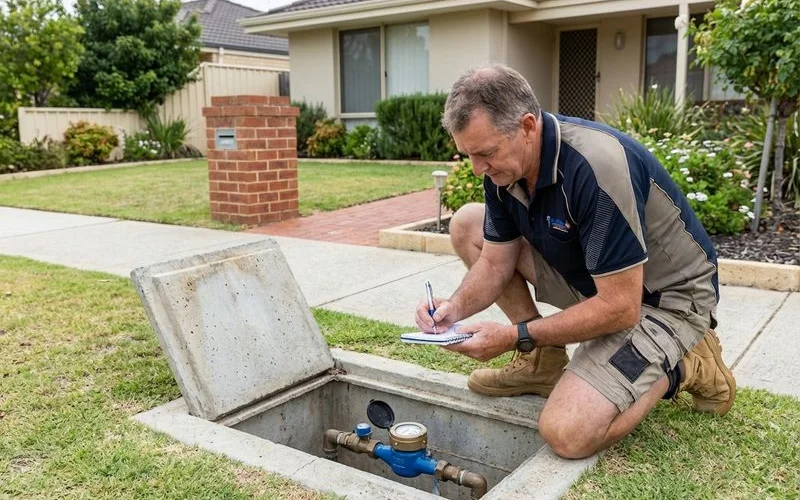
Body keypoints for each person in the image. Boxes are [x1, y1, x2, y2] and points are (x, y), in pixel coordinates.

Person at [415, 64, 736, 459]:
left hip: (664, 301)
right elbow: (496, 264)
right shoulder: (503, 170)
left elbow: (621, 307)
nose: (478, 168)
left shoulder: (597, 168)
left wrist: (516, 334)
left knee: (568, 433)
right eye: (469, 155)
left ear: (528, 126)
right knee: (468, 223)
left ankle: (687, 362)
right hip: (598, 281)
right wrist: (452, 309)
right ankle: (542, 362)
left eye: (486, 153)